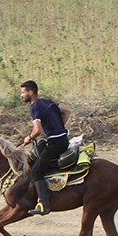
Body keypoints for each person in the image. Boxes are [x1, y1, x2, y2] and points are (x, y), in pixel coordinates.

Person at [19, 80, 74, 215]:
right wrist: (59, 126)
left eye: (23, 92)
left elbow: (37, 130)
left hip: (56, 143)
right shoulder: (47, 102)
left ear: (30, 93)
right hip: (62, 139)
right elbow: (67, 111)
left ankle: (44, 205)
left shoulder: (35, 107)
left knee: (36, 171)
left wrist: (29, 138)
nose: (21, 95)